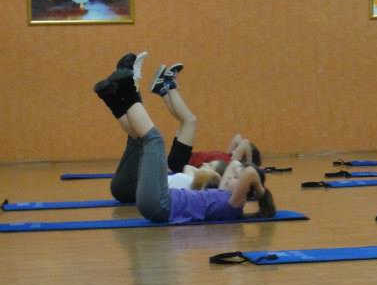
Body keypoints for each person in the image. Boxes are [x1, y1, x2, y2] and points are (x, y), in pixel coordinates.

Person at [94, 58, 275, 223]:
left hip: (161, 204)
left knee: (154, 139)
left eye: (236, 179)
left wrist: (260, 192)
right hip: (158, 202)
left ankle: (128, 90)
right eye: (233, 175)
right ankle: (117, 97)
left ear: (246, 193)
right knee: (147, 140)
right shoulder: (219, 190)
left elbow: (249, 172)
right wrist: (241, 174)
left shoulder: (233, 205)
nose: (230, 176)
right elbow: (239, 166)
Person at [146, 61, 260, 173]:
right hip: (181, 159)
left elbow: (245, 143)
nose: (235, 150)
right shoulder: (228, 157)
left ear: (243, 158)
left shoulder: (231, 165)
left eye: (238, 151)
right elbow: (238, 138)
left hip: (182, 162)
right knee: (184, 120)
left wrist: (250, 164)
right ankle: (161, 90)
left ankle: (169, 85)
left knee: (190, 121)